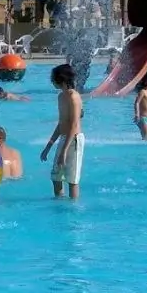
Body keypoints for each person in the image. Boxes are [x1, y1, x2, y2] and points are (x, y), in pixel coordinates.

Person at [40, 63, 84, 200]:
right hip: (64, 138)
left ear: (62, 80)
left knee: (72, 179)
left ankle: (73, 207)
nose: (52, 82)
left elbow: (74, 124)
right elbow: (61, 124)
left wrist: (64, 151)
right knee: (56, 177)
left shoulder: (73, 97)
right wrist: (48, 146)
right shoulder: (61, 97)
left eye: (53, 79)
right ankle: (59, 204)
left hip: (74, 139)